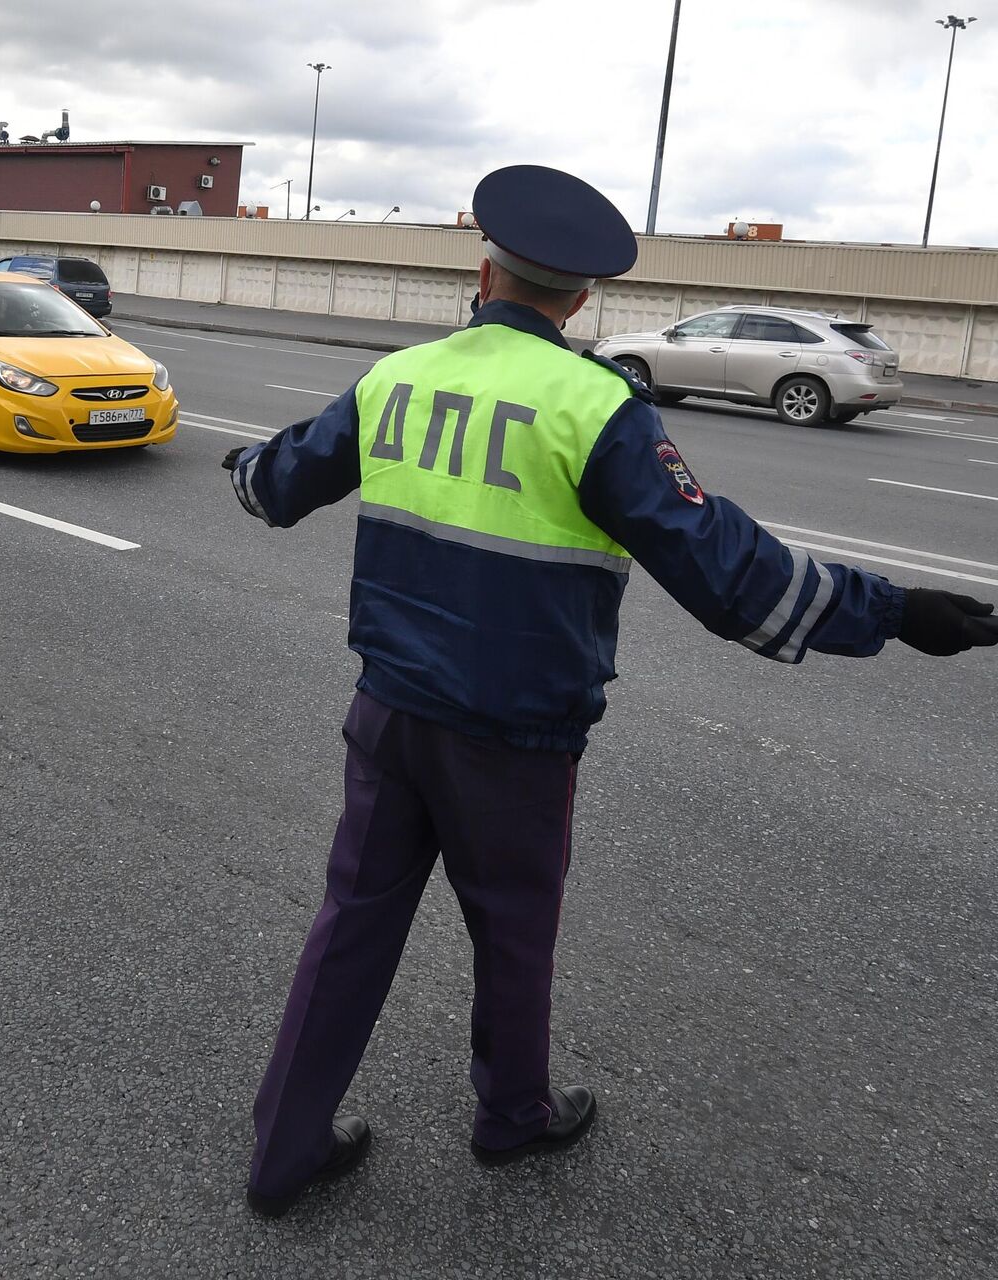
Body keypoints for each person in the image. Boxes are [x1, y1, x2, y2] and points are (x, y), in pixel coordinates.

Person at [221, 164, 998, 1219]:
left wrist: (242, 465)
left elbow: (278, 481)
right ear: (579, 296)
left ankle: (283, 1152)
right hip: (514, 740)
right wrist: (896, 612)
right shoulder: (597, 408)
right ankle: (509, 1115)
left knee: (349, 921)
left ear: (482, 268)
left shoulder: (395, 376)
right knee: (512, 930)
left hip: (390, 712)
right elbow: (732, 577)